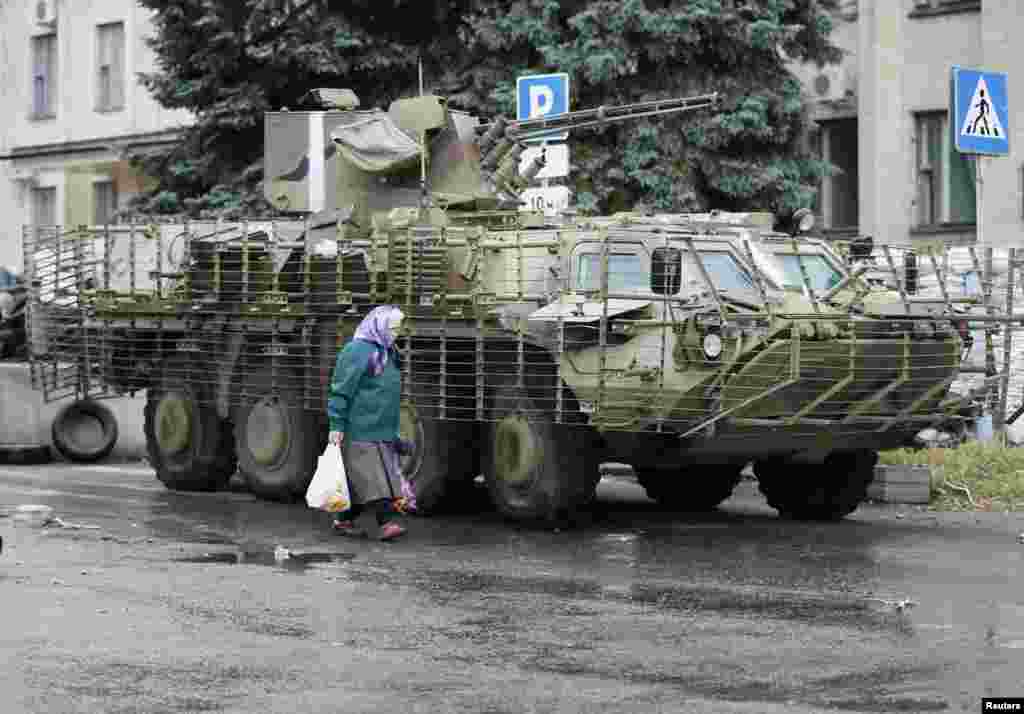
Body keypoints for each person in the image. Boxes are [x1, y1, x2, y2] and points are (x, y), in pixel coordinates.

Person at [326, 304, 411, 541]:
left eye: (398, 329)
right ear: (378, 325)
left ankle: (343, 520)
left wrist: (394, 433)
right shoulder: (356, 351)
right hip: (360, 431)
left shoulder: (390, 353)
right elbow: (340, 391)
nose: (396, 333)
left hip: (381, 431)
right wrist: (336, 425)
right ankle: (386, 523)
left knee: (362, 483)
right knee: (375, 480)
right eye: (392, 328)